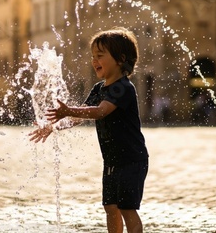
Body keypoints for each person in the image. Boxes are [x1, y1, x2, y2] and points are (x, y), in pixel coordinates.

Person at [29, 27, 149, 233]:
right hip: (112, 160)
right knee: (110, 207)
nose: (94, 61)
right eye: (93, 56)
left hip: (131, 159)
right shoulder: (98, 89)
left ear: (120, 59)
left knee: (127, 207)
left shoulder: (123, 88)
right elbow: (79, 117)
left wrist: (68, 110)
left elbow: (101, 111)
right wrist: (53, 127)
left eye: (100, 56)